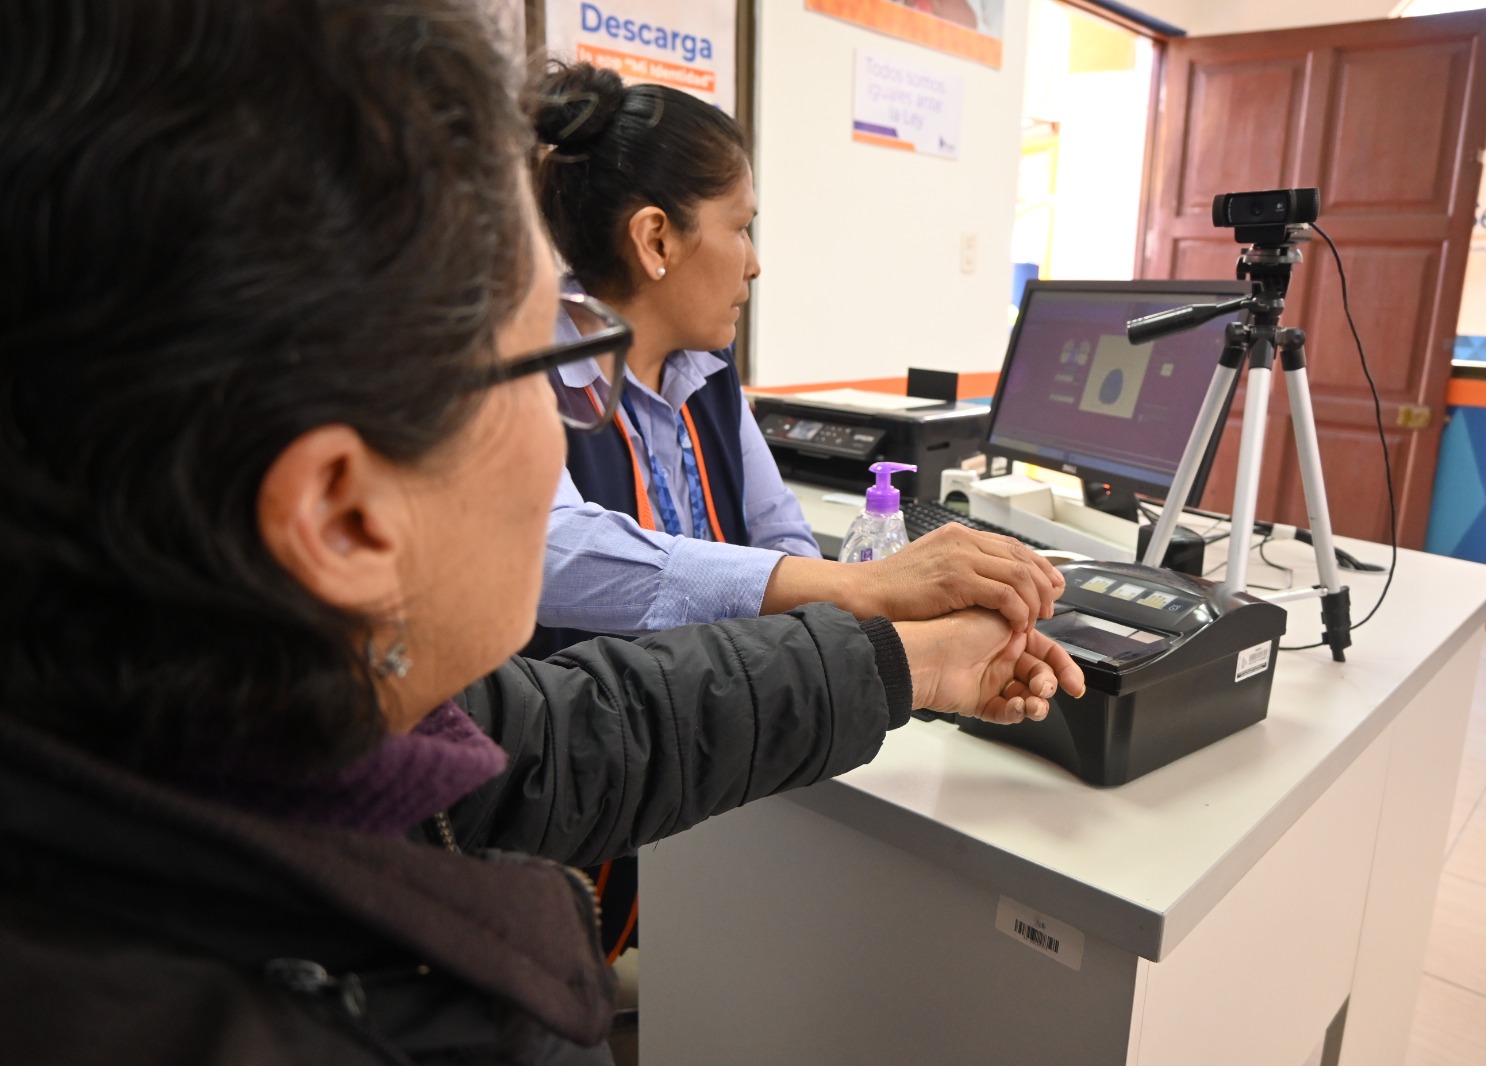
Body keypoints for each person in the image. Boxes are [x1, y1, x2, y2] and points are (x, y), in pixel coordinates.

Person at [0, 3, 1084, 1064]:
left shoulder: (272, 719)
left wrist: (911, 658)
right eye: (540, 370)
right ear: (341, 516)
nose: (576, 415)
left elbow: (576, 732)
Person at [527, 60, 1066, 658]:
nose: (753, 262)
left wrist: (892, 650)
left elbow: (779, 531)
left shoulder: (706, 369)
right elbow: (551, 552)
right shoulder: (525, 374)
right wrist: (858, 587)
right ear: (657, 238)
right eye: (740, 227)